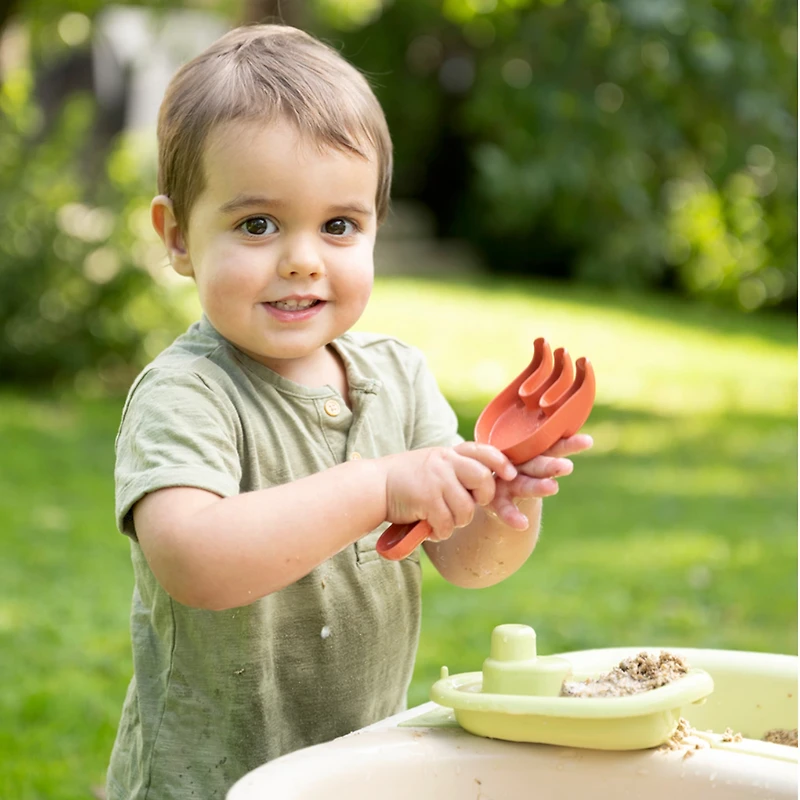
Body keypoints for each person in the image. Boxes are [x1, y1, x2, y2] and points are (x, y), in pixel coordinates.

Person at [106, 23, 592, 800]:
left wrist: (499, 502)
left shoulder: (396, 376)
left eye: (338, 225)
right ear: (178, 237)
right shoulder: (187, 394)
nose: (302, 257)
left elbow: (469, 564)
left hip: (360, 767)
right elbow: (195, 563)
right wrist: (377, 488)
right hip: (211, 777)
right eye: (256, 224)